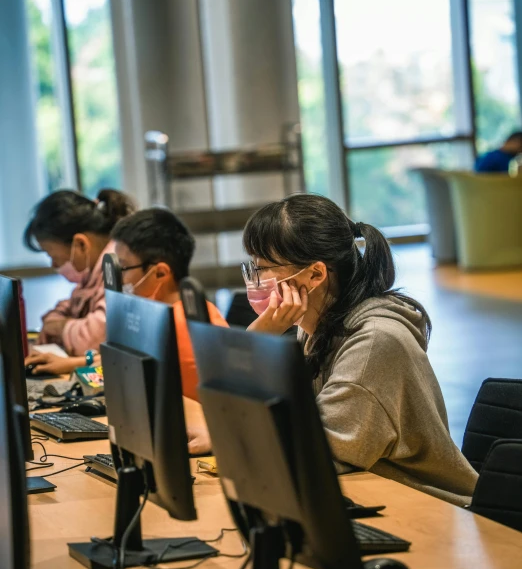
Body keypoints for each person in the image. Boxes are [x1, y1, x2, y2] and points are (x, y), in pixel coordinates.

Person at [190, 194, 478, 507]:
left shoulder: (374, 342)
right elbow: (271, 415)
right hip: (370, 492)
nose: (255, 280)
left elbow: (323, 451)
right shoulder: (314, 328)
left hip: (432, 510)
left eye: (263, 268)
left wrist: (233, 439)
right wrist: (257, 339)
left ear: (315, 274)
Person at [25, 208, 228, 410]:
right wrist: (70, 363)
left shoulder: (175, 325)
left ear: (160, 273)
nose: (118, 278)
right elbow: (119, 358)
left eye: (124, 268)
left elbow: (123, 370)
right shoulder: (164, 312)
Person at [23, 189, 135, 371]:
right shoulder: (93, 273)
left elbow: (93, 338)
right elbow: (64, 308)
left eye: (52, 254)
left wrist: (60, 327)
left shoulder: (119, 267)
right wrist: (61, 324)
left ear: (81, 244)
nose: (53, 264)